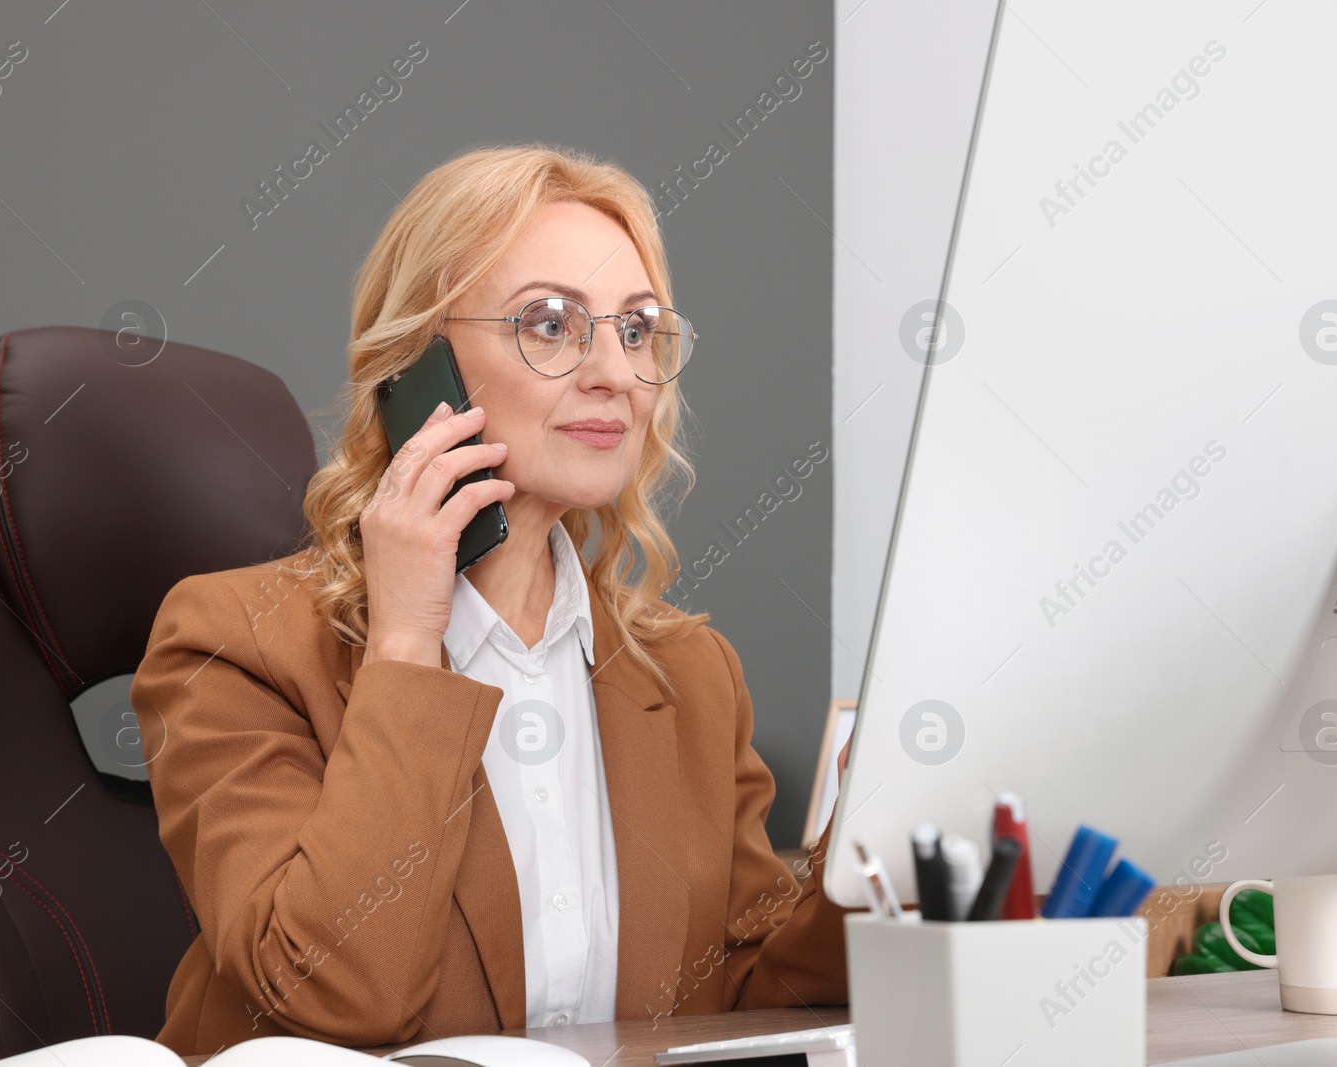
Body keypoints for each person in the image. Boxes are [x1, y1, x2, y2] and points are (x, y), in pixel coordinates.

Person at [129, 144, 849, 1057]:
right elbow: (330, 999)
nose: (616, 374)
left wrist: (876, 852)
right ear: (419, 365)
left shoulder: (691, 674)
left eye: (636, 330)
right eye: (551, 324)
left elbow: (747, 990)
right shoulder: (234, 643)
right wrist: (404, 644)